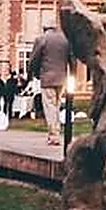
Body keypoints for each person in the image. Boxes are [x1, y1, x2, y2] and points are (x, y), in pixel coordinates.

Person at [27, 17, 74, 145]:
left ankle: (54, 135)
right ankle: (57, 132)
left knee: (50, 107)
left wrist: (34, 74)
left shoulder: (41, 39)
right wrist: (72, 74)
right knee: (57, 106)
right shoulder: (65, 39)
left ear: (45, 28)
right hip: (62, 78)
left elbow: (34, 60)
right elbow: (72, 58)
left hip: (47, 78)